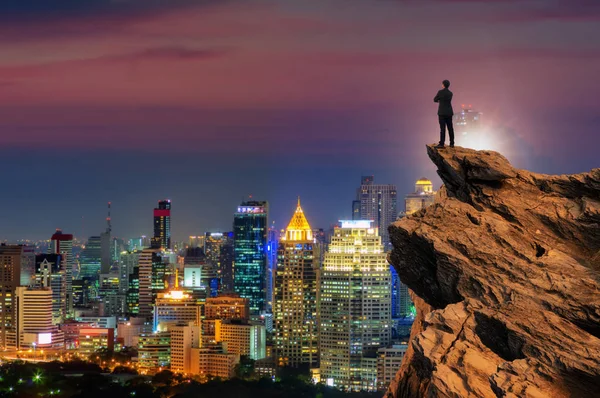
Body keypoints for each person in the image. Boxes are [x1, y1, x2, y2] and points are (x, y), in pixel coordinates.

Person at [434, 79, 454, 148]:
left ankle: (442, 143)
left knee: (442, 129)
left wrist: (440, 101)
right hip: (449, 112)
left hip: (442, 113)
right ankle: (452, 143)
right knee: (450, 128)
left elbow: (435, 99)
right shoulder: (450, 93)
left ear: (443, 85)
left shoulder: (440, 92)